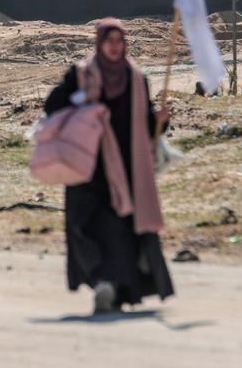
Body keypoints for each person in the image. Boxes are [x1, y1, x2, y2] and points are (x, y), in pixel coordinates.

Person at [44, 18, 174, 314]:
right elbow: (53, 106)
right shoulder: (81, 75)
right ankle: (101, 281)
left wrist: (158, 121)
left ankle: (113, 288)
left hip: (124, 172)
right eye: (109, 41)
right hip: (87, 169)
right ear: (99, 43)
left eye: (119, 41)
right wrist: (82, 104)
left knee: (119, 232)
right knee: (83, 226)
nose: (115, 47)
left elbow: (142, 125)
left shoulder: (135, 78)